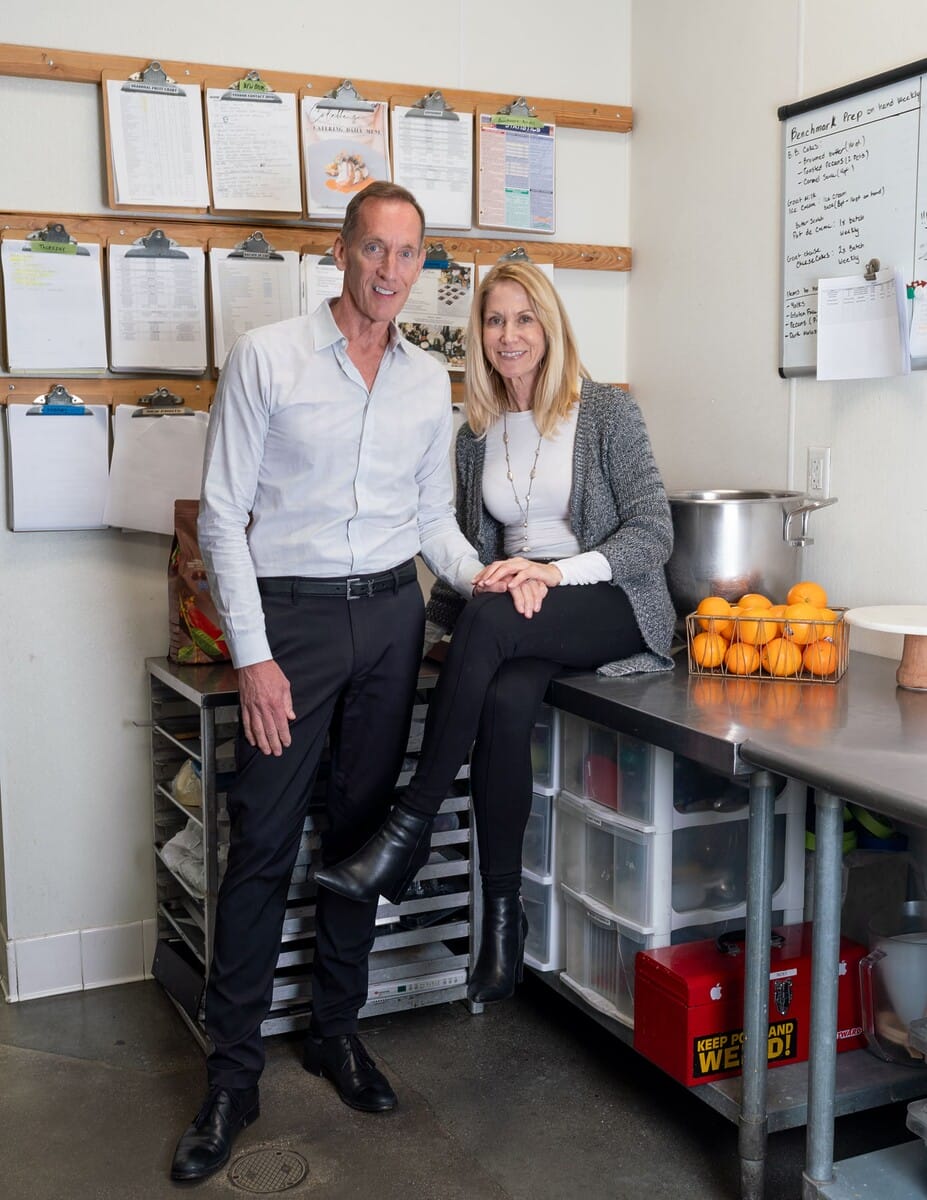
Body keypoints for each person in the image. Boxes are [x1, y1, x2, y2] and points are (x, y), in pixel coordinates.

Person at [170, 182, 531, 1183]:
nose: (388, 270)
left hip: (390, 618)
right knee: (263, 843)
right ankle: (232, 1078)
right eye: (374, 248)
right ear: (340, 252)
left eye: (407, 254)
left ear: (422, 266)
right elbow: (222, 516)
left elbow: (430, 521)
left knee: (360, 835)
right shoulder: (269, 357)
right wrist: (254, 657)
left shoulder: (424, 381)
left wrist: (485, 577)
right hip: (290, 623)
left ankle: (336, 1030)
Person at [316, 261, 676, 1005]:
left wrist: (552, 573)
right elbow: (471, 546)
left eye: (523, 318)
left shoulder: (606, 411)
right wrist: (499, 585)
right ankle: (503, 925)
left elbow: (653, 533)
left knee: (492, 616)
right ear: (478, 334)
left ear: (550, 326)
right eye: (493, 320)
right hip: (518, 612)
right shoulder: (477, 433)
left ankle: (407, 829)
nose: (508, 335)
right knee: (507, 702)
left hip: (606, 599)